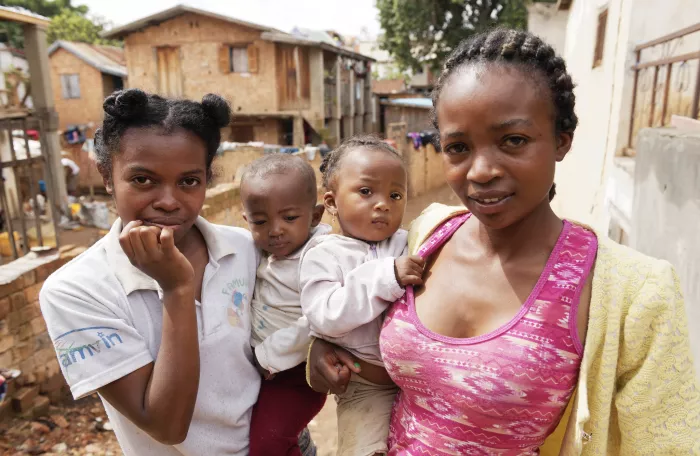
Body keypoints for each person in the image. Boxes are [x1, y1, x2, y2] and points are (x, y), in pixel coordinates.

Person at [307, 29, 700, 455]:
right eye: (458, 147)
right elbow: (350, 301)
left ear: (561, 140)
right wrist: (321, 349)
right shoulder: (427, 234)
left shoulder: (632, 293)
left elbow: (668, 444)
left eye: (513, 140)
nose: (480, 171)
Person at [39, 89, 315, 455]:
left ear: (206, 179)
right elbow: (166, 426)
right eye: (143, 180)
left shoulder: (247, 249)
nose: (168, 201)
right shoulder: (78, 290)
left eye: (188, 181)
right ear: (107, 177)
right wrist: (177, 289)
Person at [299, 136, 425, 456]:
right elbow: (325, 316)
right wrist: (386, 277)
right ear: (330, 202)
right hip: (365, 387)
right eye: (366, 192)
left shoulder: (406, 242)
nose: (383, 203)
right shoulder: (323, 255)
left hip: (417, 383)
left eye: (395, 195)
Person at [241, 154, 329, 456]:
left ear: (316, 216)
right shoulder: (258, 251)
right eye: (260, 222)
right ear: (246, 221)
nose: (275, 230)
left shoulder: (320, 257)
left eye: (289, 218)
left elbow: (320, 319)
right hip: (266, 371)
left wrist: (268, 355)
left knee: (268, 444)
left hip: (297, 374)